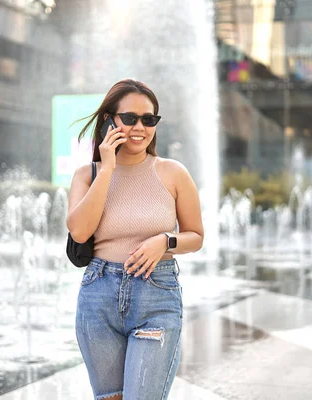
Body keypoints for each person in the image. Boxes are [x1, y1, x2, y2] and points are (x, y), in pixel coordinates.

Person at [66, 79, 204, 400]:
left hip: (156, 297)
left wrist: (165, 242)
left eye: (149, 119)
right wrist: (107, 168)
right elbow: (80, 231)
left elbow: (195, 236)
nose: (139, 127)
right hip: (98, 298)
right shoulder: (87, 175)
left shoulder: (173, 173)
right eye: (130, 118)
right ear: (109, 121)